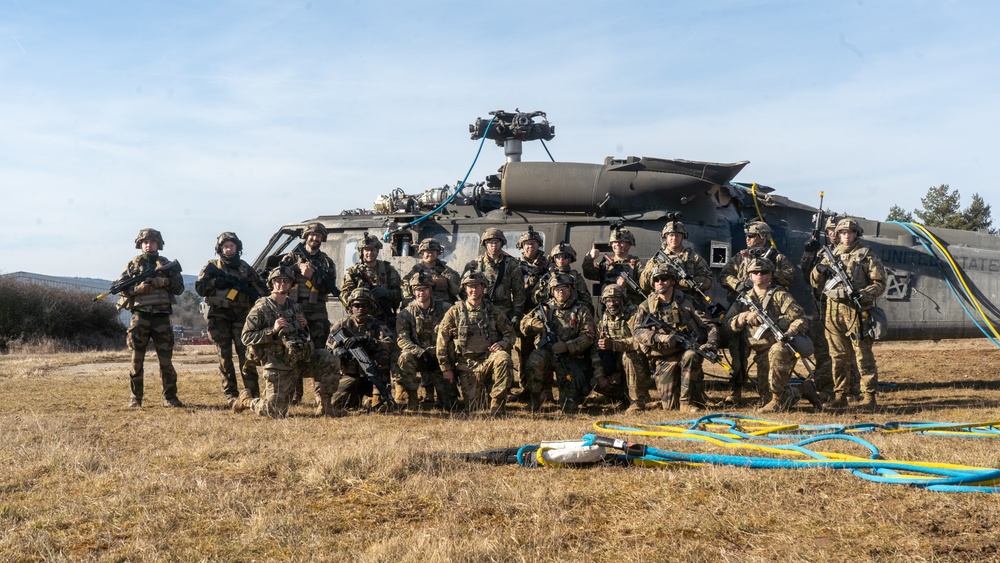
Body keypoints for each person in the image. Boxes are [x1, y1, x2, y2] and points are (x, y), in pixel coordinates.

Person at [233, 267, 342, 418]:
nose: (282, 284)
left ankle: (325, 406)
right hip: (277, 363)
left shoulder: (294, 306)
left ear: (291, 284)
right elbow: (246, 337)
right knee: (274, 412)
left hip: (299, 359)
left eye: (286, 281)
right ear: (272, 283)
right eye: (278, 281)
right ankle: (246, 400)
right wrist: (273, 330)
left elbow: (301, 335)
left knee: (330, 360)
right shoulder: (261, 307)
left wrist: (304, 326)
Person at [810, 218, 887, 412]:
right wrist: (819, 271)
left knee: (862, 354)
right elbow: (815, 283)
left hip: (856, 310)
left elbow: (879, 283)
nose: (846, 236)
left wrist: (862, 294)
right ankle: (840, 395)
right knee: (837, 356)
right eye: (843, 233)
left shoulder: (865, 255)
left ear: (856, 234)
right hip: (833, 310)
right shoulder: (830, 255)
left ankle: (869, 397)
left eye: (850, 233)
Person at [718, 221, 795, 405]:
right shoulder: (741, 257)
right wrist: (738, 284)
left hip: (769, 306)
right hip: (743, 305)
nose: (748, 239)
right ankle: (736, 390)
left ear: (763, 237)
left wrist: (769, 273)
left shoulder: (777, 258)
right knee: (737, 347)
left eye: (752, 236)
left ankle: (772, 390)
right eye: (747, 236)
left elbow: (791, 277)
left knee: (769, 349)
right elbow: (724, 275)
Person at [725, 258, 817, 411]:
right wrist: (744, 317)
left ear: (770, 275)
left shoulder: (780, 295)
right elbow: (728, 325)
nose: (759, 275)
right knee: (766, 396)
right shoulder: (744, 299)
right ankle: (803, 390)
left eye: (764, 272)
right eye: (755, 272)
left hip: (780, 348)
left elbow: (801, 319)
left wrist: (788, 332)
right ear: (750, 276)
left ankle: (778, 400)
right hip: (761, 351)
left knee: (776, 395)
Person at [115, 228, 185, 408]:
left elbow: (179, 288)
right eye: (145, 242)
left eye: (152, 242)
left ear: (158, 244)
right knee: (136, 360)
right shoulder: (133, 265)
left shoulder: (166, 264)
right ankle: (135, 398)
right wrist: (138, 289)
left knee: (166, 361)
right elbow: (121, 287)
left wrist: (164, 282)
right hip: (140, 316)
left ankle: (170, 397)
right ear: (140, 245)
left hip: (161, 317)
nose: (148, 245)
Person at [633, 264, 718, 411]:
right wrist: (659, 337)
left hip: (685, 352)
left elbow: (709, 326)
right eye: (656, 279)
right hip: (664, 358)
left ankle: (686, 402)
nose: (660, 282)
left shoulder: (687, 302)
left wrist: (711, 343)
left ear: (672, 281)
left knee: (691, 356)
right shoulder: (646, 306)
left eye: (664, 278)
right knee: (670, 407)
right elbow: (637, 332)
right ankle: (674, 399)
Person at [195, 232, 267, 406]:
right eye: (225, 246)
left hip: (241, 316)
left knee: (247, 356)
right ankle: (231, 395)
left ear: (237, 248)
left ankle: (252, 392)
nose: (228, 249)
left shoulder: (244, 267)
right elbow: (200, 288)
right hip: (219, 316)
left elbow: (260, 289)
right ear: (220, 249)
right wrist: (214, 283)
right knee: (225, 358)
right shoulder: (212, 266)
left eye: (232, 246)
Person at [436, 271, 515, 415]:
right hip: (466, 364)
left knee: (503, 358)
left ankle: (497, 404)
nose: (474, 290)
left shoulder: (493, 311)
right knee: (475, 408)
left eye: (477, 286)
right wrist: (446, 368)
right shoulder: (454, 312)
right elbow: (442, 341)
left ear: (483, 288)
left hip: (488, 359)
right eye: (470, 286)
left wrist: (502, 344)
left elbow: (510, 333)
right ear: (465, 289)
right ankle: (483, 393)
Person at [279, 221, 340, 405]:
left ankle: (320, 395)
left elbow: (328, 288)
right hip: (293, 312)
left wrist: (311, 276)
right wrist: (296, 269)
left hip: (317, 313)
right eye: (312, 235)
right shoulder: (290, 258)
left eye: (319, 236)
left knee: (319, 352)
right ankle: (294, 394)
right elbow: (278, 280)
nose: (315, 239)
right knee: (293, 351)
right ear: (306, 236)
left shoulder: (326, 262)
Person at [521, 273, 597, 413]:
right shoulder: (544, 309)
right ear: (551, 291)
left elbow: (588, 336)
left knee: (569, 408)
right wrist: (534, 323)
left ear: (571, 290)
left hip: (570, 358)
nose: (560, 291)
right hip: (547, 354)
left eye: (564, 288)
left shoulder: (581, 310)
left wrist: (567, 347)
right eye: (557, 288)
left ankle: (572, 397)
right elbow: (523, 324)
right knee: (534, 360)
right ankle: (535, 400)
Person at [799, 215, 844, 401]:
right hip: (822, 307)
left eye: (837, 230)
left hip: (844, 308)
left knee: (845, 352)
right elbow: (807, 276)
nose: (833, 234)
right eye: (830, 231)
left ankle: (850, 390)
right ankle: (825, 390)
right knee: (822, 350)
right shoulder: (821, 253)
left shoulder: (854, 253)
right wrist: (809, 253)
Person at [396, 272, 454, 410]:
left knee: (449, 406)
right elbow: (402, 339)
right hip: (419, 357)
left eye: (424, 289)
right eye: (417, 289)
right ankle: (412, 397)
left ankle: (446, 395)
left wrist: (440, 354)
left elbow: (453, 333)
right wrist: (421, 352)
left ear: (431, 290)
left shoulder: (446, 309)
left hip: (440, 357)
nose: (421, 292)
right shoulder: (406, 313)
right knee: (404, 358)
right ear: (413, 291)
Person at [329, 288, 394, 411]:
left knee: (383, 356)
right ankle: (355, 398)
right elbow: (329, 344)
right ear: (351, 307)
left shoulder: (377, 325)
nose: (360, 308)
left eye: (364, 305)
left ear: (370, 307)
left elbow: (389, 344)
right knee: (334, 403)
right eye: (356, 305)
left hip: (372, 377)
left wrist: (369, 341)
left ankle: (377, 397)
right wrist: (338, 350)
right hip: (349, 375)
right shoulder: (343, 324)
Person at [593, 284, 651, 412]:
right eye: (608, 300)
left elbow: (639, 341)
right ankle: (622, 397)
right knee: (592, 371)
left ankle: (637, 400)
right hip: (616, 363)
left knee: (628, 356)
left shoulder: (634, 314)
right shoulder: (604, 319)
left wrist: (614, 344)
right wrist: (600, 376)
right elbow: (596, 347)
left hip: (639, 361)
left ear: (623, 299)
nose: (612, 304)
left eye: (615, 299)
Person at [639, 219, 712, 302]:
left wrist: (688, 282)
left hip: (688, 303)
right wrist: (661, 280)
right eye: (671, 235)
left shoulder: (694, 258)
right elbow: (643, 284)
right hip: (663, 303)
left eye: (677, 235)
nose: (674, 238)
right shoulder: (656, 260)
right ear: (666, 237)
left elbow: (708, 280)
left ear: (682, 237)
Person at [341, 232, 403, 330]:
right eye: (366, 250)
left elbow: (399, 295)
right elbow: (345, 296)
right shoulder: (353, 272)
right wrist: (361, 296)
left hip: (383, 318)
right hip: (360, 320)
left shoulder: (388, 270)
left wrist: (386, 293)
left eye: (373, 249)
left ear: (377, 251)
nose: (370, 253)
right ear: (361, 252)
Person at [463, 228, 525, 323]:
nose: (493, 245)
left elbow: (519, 291)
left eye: (496, 242)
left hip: (504, 312)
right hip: (481, 311)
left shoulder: (511, 264)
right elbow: (464, 289)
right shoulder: (474, 265)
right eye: (490, 242)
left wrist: (517, 313)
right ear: (485, 244)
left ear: (501, 244)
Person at [583, 227, 644, 306]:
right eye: (614, 242)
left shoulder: (637, 264)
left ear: (629, 244)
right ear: (611, 244)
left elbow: (645, 284)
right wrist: (589, 258)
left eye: (621, 242)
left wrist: (627, 286)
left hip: (630, 309)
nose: (617, 244)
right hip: (609, 309)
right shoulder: (605, 264)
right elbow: (589, 274)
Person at [533, 242, 594, 314]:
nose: (561, 259)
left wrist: (577, 310)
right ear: (554, 259)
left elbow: (586, 299)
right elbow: (535, 299)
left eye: (565, 256)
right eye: (558, 256)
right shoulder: (547, 277)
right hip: (552, 314)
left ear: (570, 259)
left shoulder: (576, 277)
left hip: (572, 314)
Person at [401, 238, 461, 306]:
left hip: (443, 309)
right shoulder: (414, 273)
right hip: (421, 308)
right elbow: (406, 294)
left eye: (433, 251)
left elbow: (456, 290)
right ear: (422, 253)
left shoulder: (446, 271)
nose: (430, 254)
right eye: (427, 251)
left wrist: (446, 273)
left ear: (438, 253)